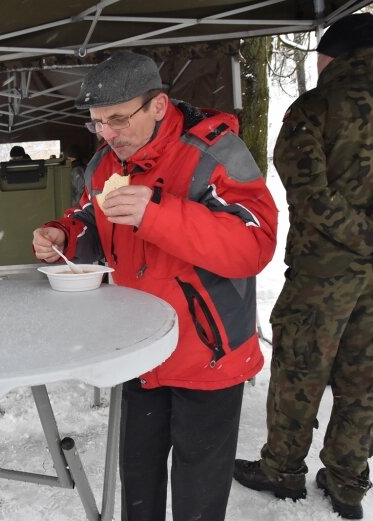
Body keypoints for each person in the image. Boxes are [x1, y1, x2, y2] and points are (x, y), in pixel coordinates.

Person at [31, 51, 277, 521]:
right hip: (138, 348)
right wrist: (65, 233)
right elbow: (91, 216)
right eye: (97, 123)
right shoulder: (105, 164)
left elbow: (254, 245)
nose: (107, 133)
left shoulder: (217, 153)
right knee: (138, 482)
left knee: (198, 492)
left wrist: (156, 214)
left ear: (159, 105)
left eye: (119, 119)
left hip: (209, 351)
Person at [233, 13, 373, 520]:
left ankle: (283, 469)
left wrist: (361, 236)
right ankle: (348, 483)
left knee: (299, 370)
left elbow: (309, 194)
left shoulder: (315, 108)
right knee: (365, 381)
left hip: (324, 273)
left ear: (331, 57)